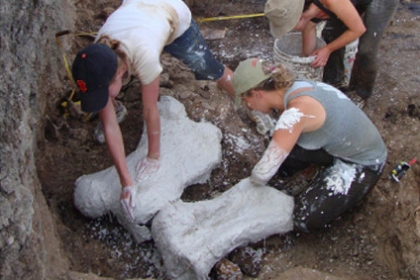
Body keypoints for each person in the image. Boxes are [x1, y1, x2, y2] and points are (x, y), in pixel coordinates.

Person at [71, 0, 235, 222]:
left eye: (104, 93)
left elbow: (150, 111)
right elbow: (110, 126)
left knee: (208, 68)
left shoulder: (144, 55)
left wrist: (153, 156)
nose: (102, 98)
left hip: (170, 14)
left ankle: (246, 95)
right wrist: (126, 182)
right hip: (140, 15)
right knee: (107, 96)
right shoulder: (96, 59)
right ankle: (116, 104)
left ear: (119, 73)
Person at [232, 58, 387, 232]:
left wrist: (243, 196)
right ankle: (315, 171)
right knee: (283, 153)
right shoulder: (291, 88)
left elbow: (262, 173)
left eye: (246, 100)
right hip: (341, 143)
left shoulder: (297, 111)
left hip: (364, 162)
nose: (249, 107)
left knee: (304, 218)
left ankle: (336, 183)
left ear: (257, 93)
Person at [264, 0, 398, 108]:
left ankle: (362, 93)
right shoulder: (304, 7)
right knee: (330, 33)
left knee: (366, 50)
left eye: (290, 25)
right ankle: (334, 81)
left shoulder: (330, 1)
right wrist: (306, 64)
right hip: (344, 3)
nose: (290, 29)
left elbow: (358, 30)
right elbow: (309, 27)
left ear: (301, 15)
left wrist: (327, 50)